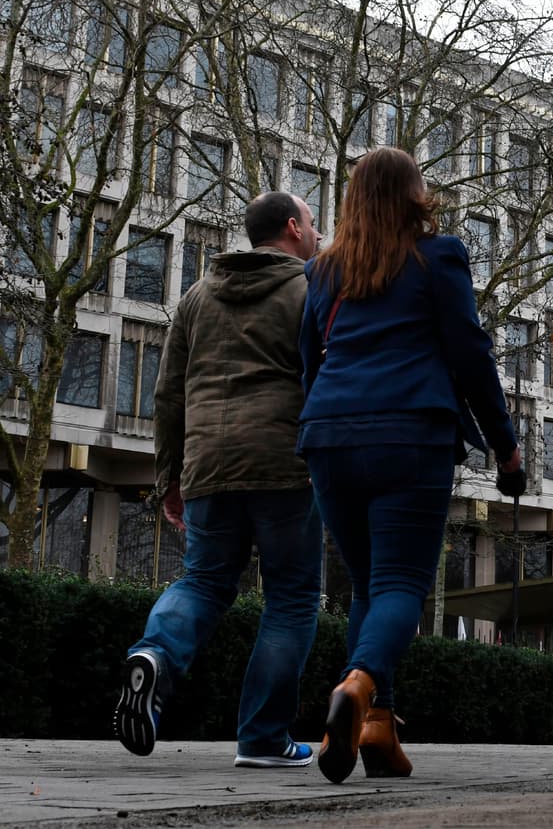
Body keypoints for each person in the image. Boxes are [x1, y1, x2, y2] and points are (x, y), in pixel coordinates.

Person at [297, 147, 521, 784]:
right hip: (409, 435)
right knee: (400, 585)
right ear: (414, 197)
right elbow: (470, 354)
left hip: (330, 437)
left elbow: (309, 362)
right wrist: (505, 447)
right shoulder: (438, 256)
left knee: (369, 586)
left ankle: (377, 731)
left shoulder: (323, 270)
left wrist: (321, 426)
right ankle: (357, 686)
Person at [114, 192, 324, 769]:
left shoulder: (197, 296)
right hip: (284, 465)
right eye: (312, 223)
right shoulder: (310, 289)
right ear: (292, 228)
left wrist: (169, 477)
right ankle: (262, 739)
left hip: (207, 463)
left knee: (203, 581)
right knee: (291, 598)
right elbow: (327, 375)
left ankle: (155, 655)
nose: (317, 233)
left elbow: (167, 395)